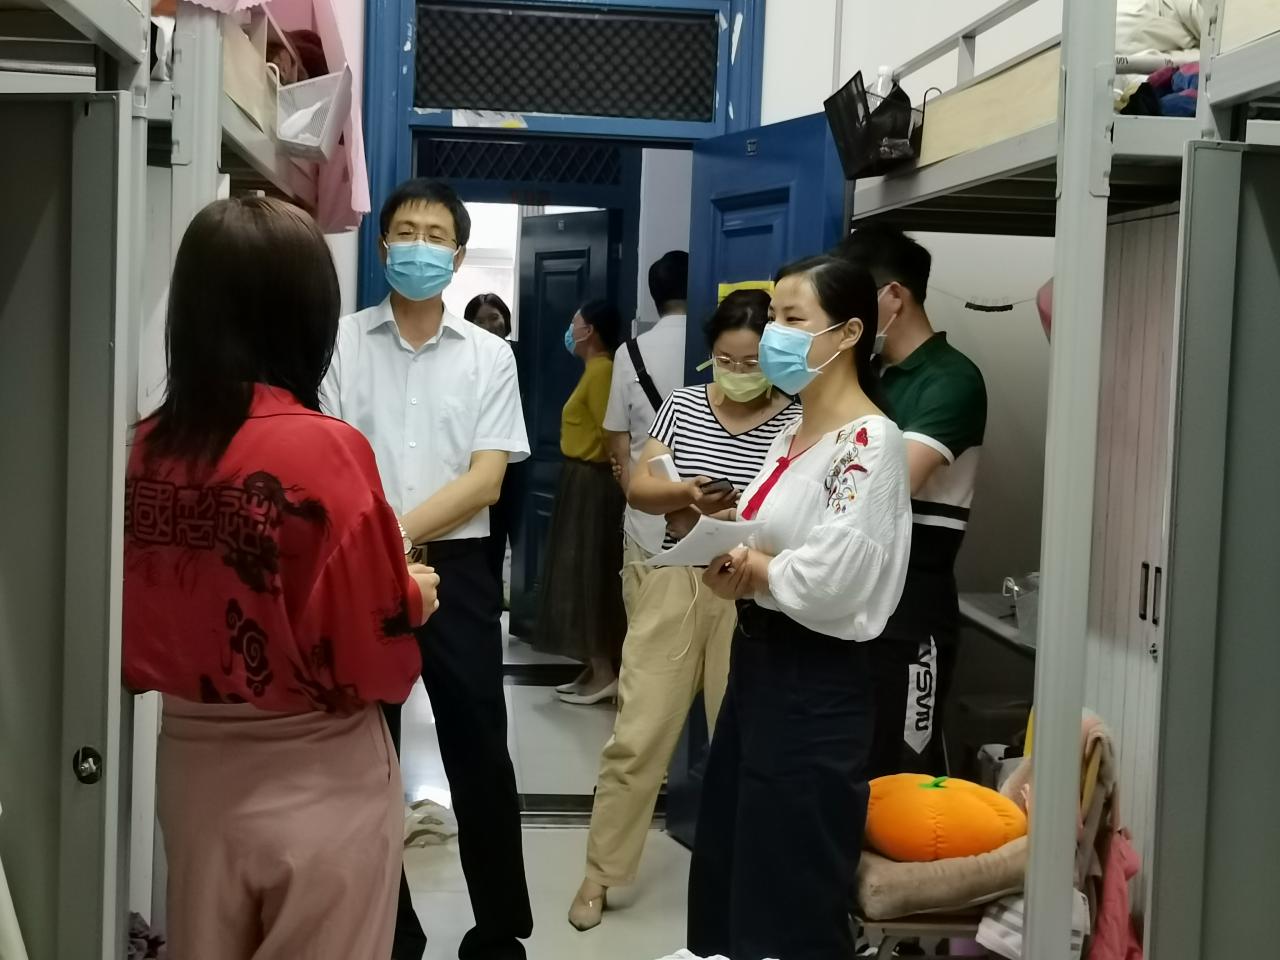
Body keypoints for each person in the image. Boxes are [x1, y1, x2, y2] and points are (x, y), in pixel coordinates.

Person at [123, 197, 440, 960]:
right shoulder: (327, 451)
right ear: (308, 318)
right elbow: (372, 656)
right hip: (317, 766)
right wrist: (413, 597)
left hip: (192, 766)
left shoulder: (142, 451)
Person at [321, 179, 533, 960]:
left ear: (458, 254)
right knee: (364, 751)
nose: (418, 245)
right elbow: (331, 463)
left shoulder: (489, 356)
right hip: (357, 567)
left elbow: (487, 480)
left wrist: (398, 533)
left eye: (435, 235)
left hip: (460, 570)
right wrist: (380, 546)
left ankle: (499, 931)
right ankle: (392, 929)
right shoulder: (341, 343)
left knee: (479, 748)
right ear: (383, 246)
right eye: (405, 231)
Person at [687, 256, 913, 960]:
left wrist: (758, 571)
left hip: (817, 679)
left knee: (791, 873)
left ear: (848, 334)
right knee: (738, 851)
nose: (771, 337)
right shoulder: (791, 433)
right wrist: (731, 559)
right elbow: (768, 540)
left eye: (791, 319)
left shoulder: (870, 441)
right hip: (759, 664)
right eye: (772, 319)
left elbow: (838, 573)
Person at [567, 290, 799, 932]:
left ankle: (744, 875)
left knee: (743, 743)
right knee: (637, 736)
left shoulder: (796, 420)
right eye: (726, 359)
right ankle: (600, 873)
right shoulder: (685, 404)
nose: (738, 371)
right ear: (710, 356)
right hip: (675, 583)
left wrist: (740, 517)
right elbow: (640, 486)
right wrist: (686, 494)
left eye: (751, 361)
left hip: (752, 594)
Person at [834, 226, 988, 778]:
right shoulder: (866, 374)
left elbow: (887, 484)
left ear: (893, 296)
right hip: (853, 597)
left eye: (853, 301)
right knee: (850, 765)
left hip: (912, 605)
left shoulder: (951, 379)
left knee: (904, 774)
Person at [586, 252, 689, 696]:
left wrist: (633, 488)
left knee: (644, 637)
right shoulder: (718, 346)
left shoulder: (631, 352)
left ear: (654, 295)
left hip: (648, 518)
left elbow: (616, 435)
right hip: (715, 516)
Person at [532, 300, 629, 704]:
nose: (570, 330)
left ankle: (605, 671)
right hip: (580, 478)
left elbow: (611, 432)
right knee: (577, 572)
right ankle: (594, 666)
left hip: (593, 483)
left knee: (589, 573)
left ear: (589, 331)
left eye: (575, 323)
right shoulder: (593, 370)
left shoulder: (603, 370)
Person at [462, 293, 521, 591]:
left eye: (494, 318)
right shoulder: (462, 359)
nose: (488, 326)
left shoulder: (520, 355)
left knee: (518, 540)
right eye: (480, 320)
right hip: (478, 463)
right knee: (486, 541)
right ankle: (487, 597)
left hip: (519, 467)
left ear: (506, 320)